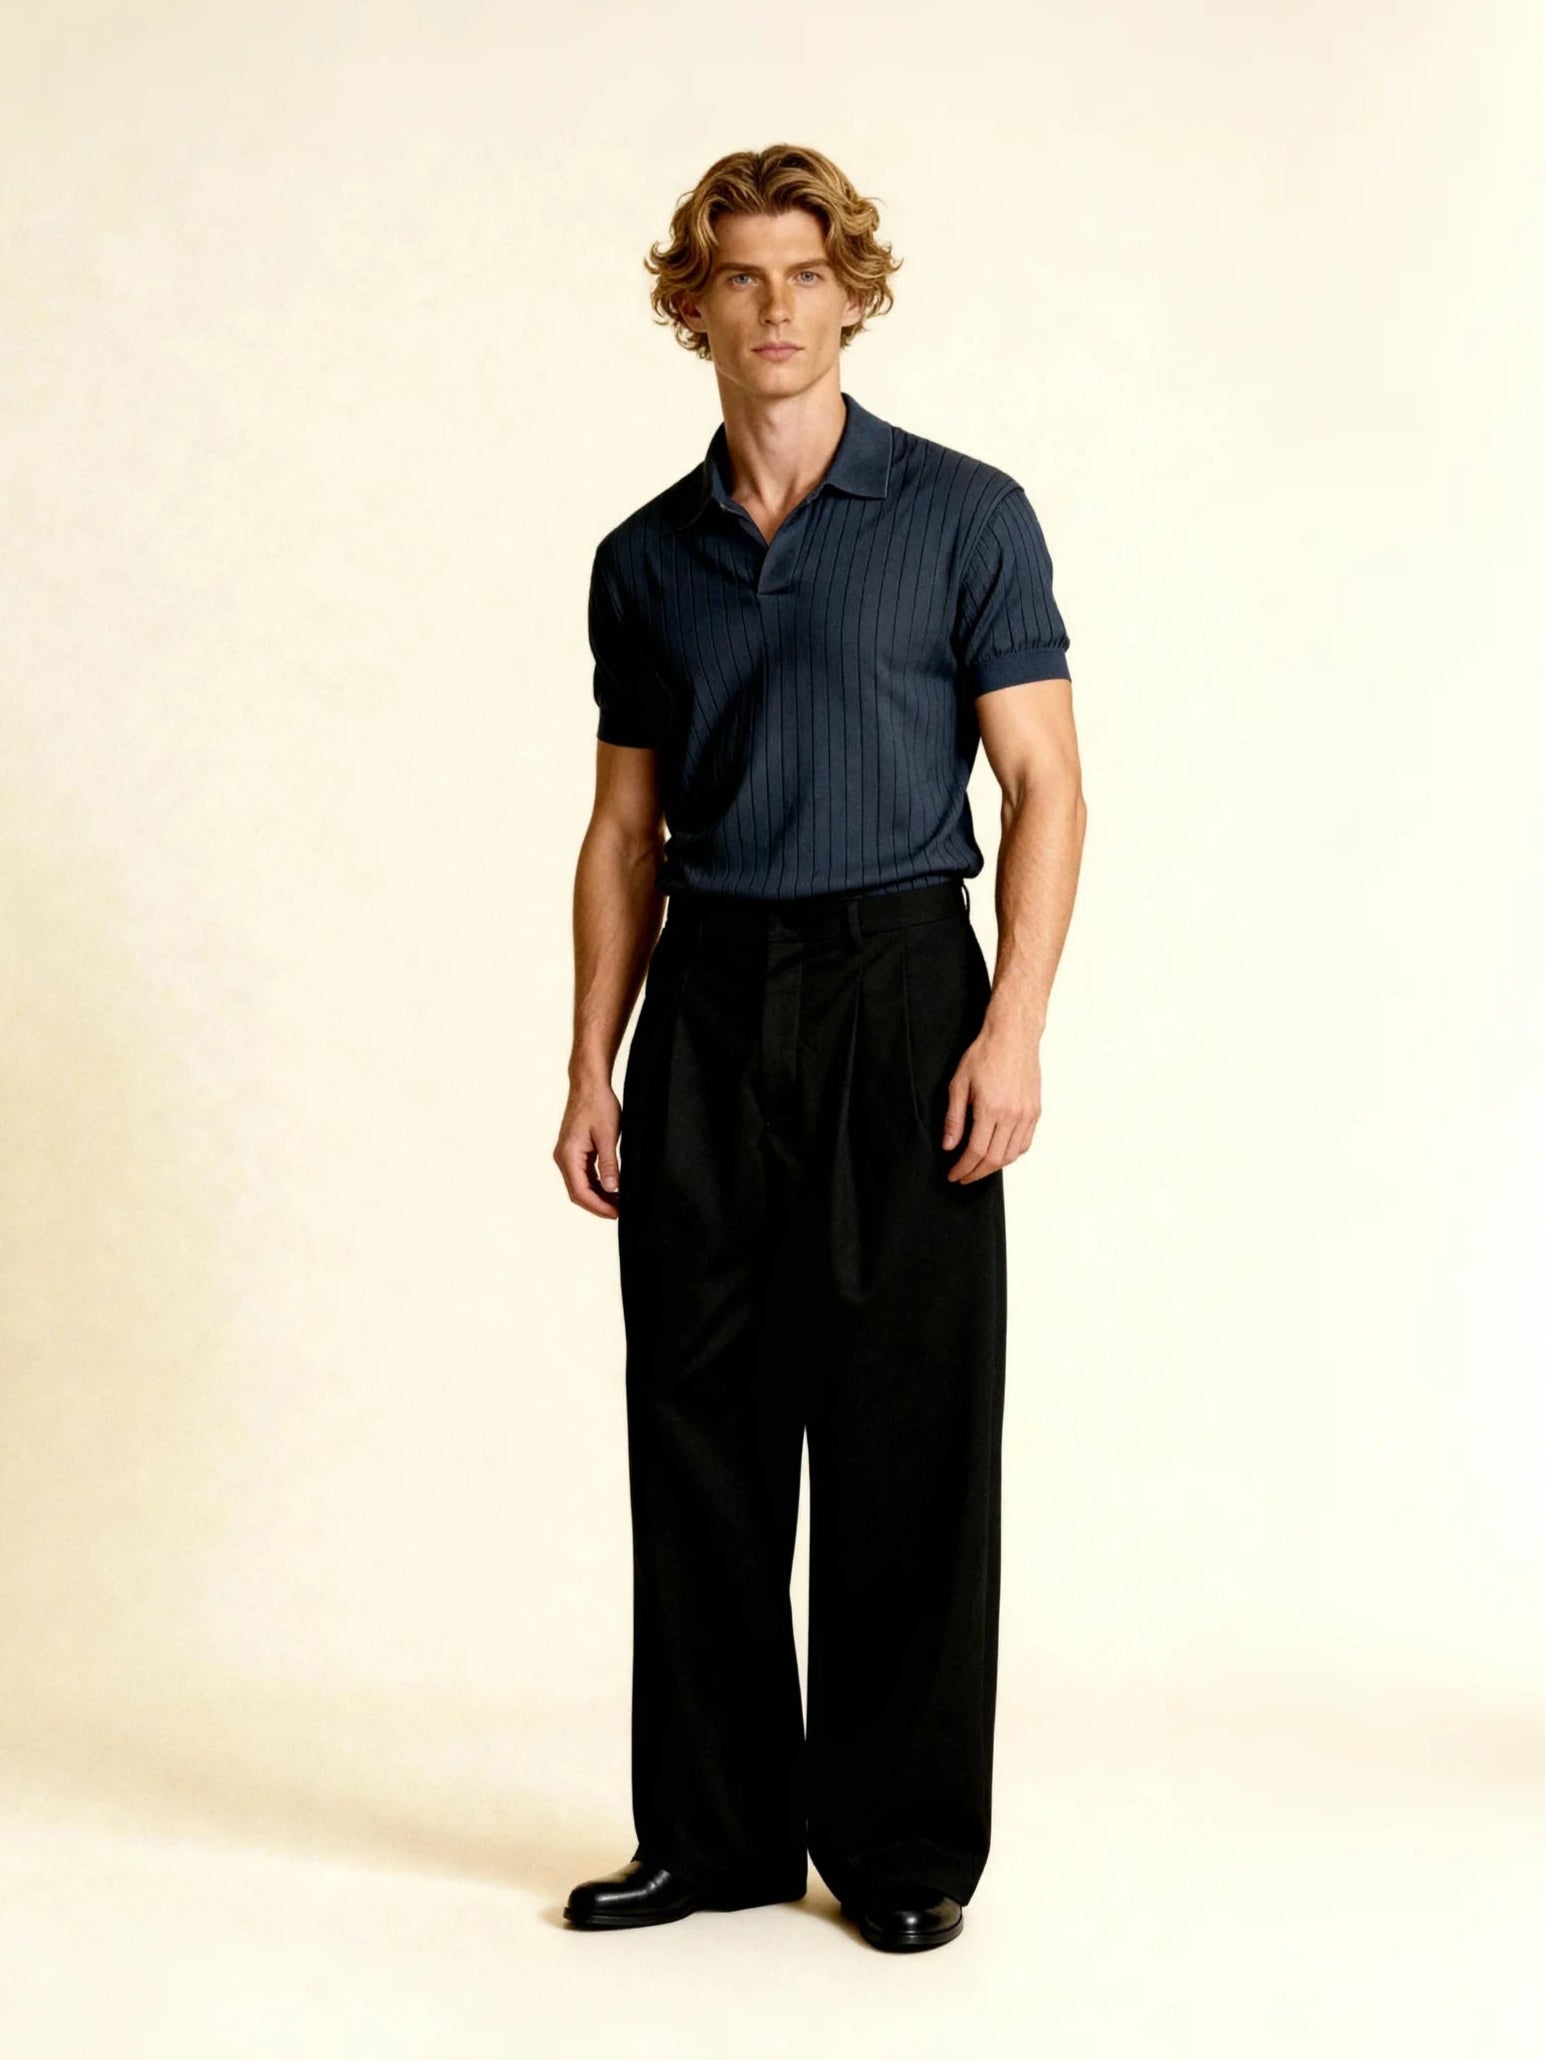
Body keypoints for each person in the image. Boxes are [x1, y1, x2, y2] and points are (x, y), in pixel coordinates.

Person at [554, 143, 1085, 1953]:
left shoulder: (964, 515)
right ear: (689, 303)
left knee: (904, 1430)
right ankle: (713, 1837)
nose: (773, 307)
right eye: (738, 276)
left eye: (804, 273)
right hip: (709, 1002)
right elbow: (623, 830)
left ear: (853, 294)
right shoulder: (645, 559)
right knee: (695, 1424)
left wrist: (1010, 1023)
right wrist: (589, 1062)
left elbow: (1043, 784)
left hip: (902, 990)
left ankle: (900, 1849)